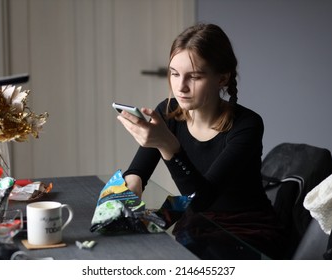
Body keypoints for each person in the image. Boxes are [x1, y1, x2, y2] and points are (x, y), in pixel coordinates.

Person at [117, 23, 286, 259]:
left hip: (247, 230)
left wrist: (168, 145)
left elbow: (203, 199)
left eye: (194, 76)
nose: (180, 87)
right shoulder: (168, 112)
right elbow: (137, 171)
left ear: (222, 78)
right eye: (174, 74)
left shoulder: (247, 125)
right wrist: (130, 193)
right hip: (198, 222)